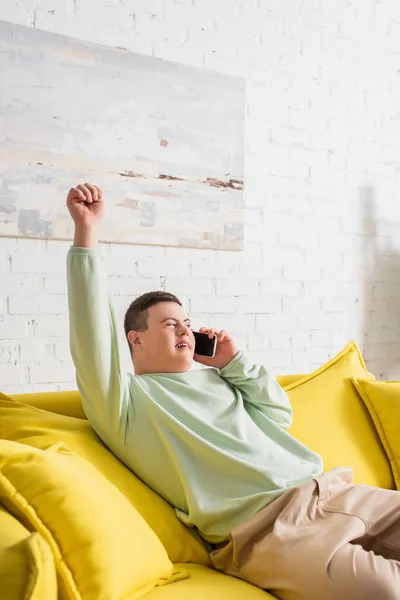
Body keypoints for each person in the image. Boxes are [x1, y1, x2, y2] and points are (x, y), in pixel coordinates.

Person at [66, 183, 400, 600]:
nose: (185, 329)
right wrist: (87, 233)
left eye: (187, 322)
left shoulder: (221, 377)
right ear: (135, 339)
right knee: (385, 590)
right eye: (170, 324)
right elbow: (90, 333)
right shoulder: (126, 402)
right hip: (268, 534)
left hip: (329, 490)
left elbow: (279, 415)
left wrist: (232, 362)